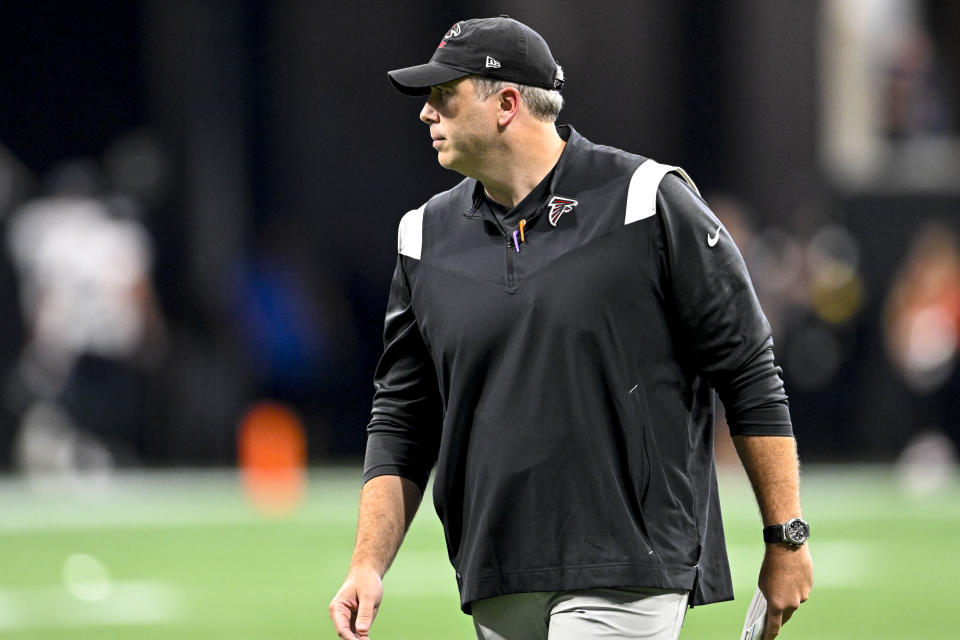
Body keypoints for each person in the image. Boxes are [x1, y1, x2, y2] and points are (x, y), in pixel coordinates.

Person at [330, 16, 812, 640]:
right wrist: (367, 565)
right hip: (497, 570)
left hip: (627, 562)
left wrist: (786, 536)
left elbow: (748, 370)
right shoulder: (423, 236)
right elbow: (402, 417)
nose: (426, 114)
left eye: (442, 96)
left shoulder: (647, 199)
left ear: (506, 104)